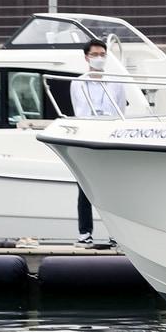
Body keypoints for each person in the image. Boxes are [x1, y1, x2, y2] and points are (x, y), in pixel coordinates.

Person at [70, 39, 128, 246]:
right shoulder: (78, 83)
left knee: (111, 188)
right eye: (95, 54)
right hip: (86, 139)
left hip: (109, 140)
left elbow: (120, 109)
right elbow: (79, 111)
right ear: (86, 57)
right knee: (84, 188)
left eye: (102, 54)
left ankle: (116, 235)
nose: (99, 58)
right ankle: (84, 233)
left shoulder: (116, 82)